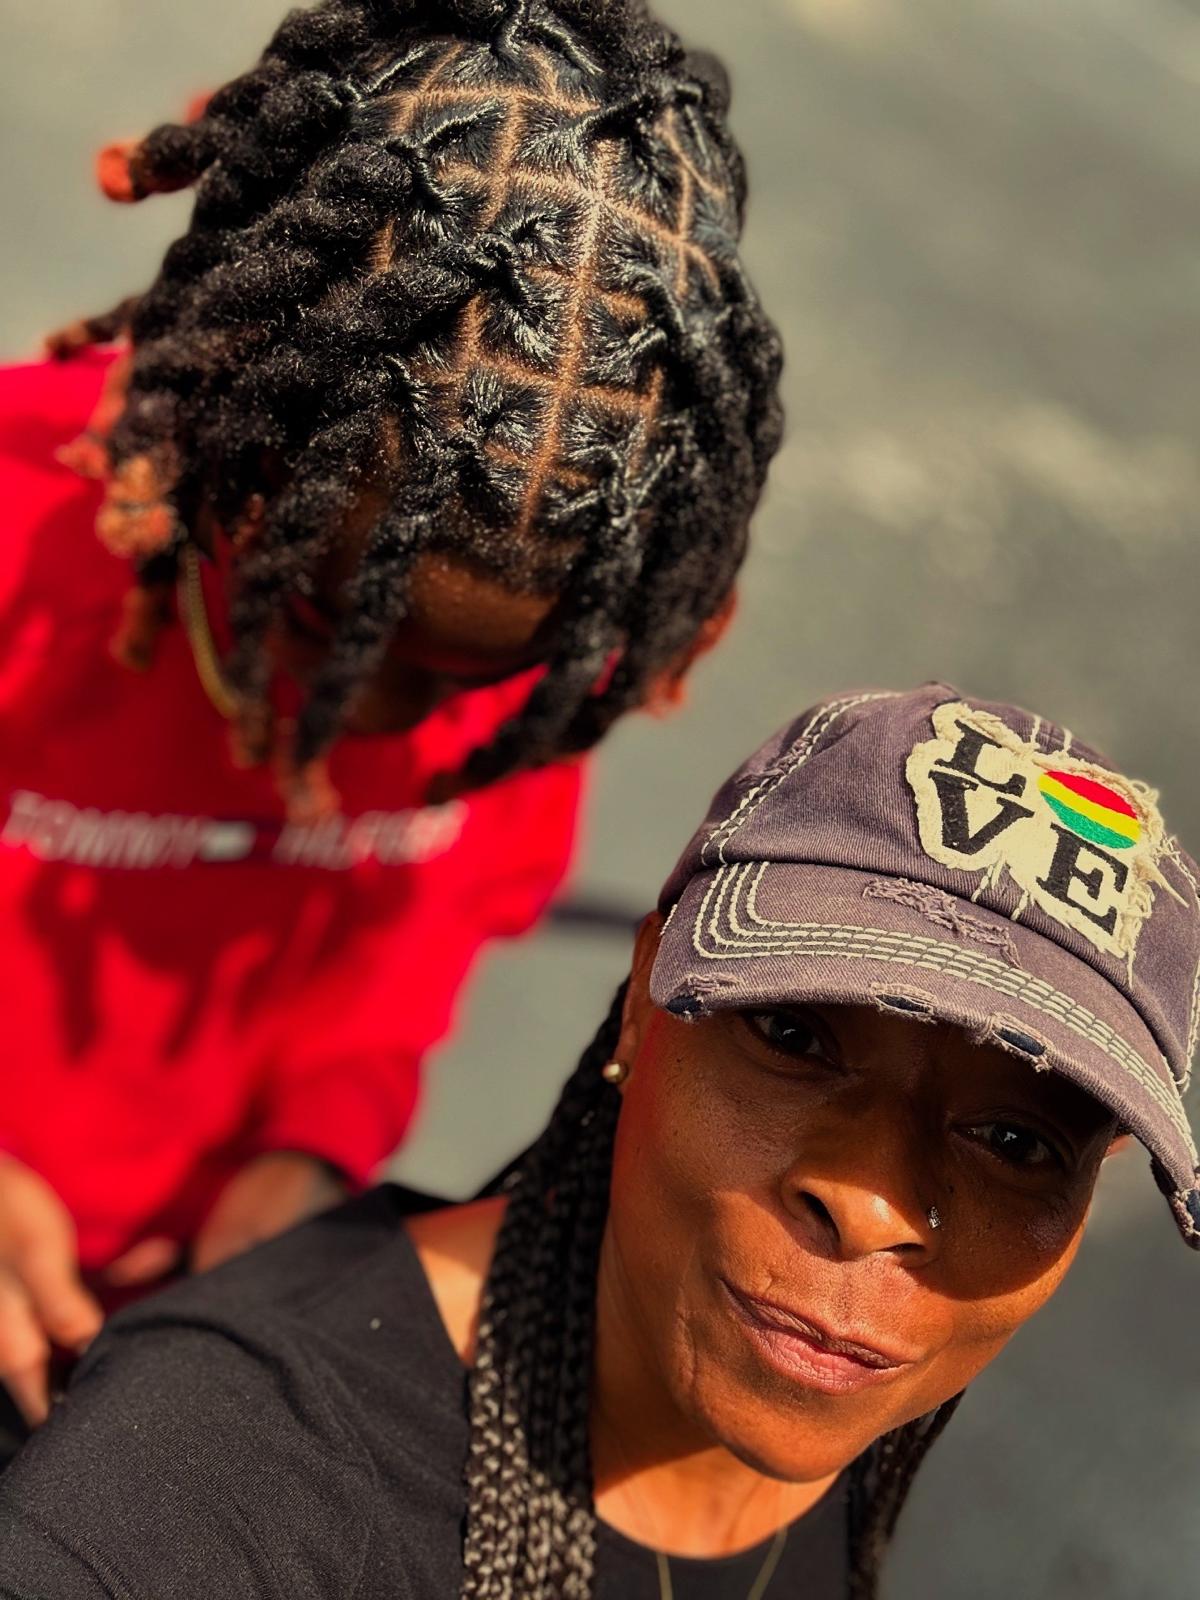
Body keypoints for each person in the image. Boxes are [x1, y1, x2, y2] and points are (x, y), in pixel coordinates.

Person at [0, 0, 784, 1437]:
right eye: (319, 618)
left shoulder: (554, 641)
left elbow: (420, 951)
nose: (371, 713)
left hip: (173, 1312)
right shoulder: (23, 524)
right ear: (229, 409)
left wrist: (313, 1151)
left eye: (455, 681)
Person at [1, 682, 1196, 1598]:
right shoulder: (216, 1477)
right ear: (642, 999)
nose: (875, 1203)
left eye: (1015, 1141)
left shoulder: (831, 1434)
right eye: (794, 1035)